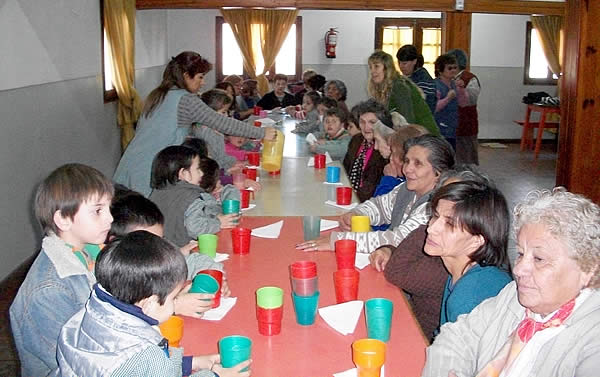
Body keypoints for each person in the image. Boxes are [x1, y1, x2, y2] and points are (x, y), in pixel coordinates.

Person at [422, 187, 600, 377]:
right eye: (521, 254)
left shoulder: (592, 340)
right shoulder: (513, 297)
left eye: (539, 259)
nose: (518, 270)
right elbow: (454, 338)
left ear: (587, 268)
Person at [55, 231, 251, 376]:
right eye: (174, 299)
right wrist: (214, 375)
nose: (176, 304)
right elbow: (150, 365)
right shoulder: (146, 354)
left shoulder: (89, 313)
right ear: (149, 304)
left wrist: (193, 363)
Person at [113, 51, 276, 197]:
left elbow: (201, 131)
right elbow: (221, 123)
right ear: (185, 75)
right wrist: (262, 133)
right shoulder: (185, 100)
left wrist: (227, 163)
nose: (203, 82)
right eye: (200, 77)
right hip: (147, 170)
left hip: (131, 163)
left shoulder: (159, 95)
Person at [9, 164, 114, 376]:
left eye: (109, 208)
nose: (110, 218)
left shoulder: (91, 253)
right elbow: (77, 363)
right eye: (98, 211)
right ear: (63, 220)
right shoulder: (48, 291)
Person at [372, 166, 488, 340]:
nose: (434, 227)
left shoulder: (454, 272)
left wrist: (428, 226)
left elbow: (397, 271)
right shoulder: (450, 252)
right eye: (441, 194)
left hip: (424, 340)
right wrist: (389, 249)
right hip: (417, 329)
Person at [297, 134, 454, 254]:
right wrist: (357, 213)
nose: (407, 169)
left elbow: (398, 240)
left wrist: (339, 241)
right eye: (407, 161)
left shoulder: (437, 206)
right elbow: (379, 207)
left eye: (417, 164)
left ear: (439, 173)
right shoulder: (406, 188)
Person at [108, 187, 229, 319]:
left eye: (159, 241)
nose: (157, 249)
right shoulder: (109, 277)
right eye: (146, 243)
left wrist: (212, 274)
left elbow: (191, 260)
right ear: (116, 244)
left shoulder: (154, 255)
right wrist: (175, 306)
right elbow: (121, 319)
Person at [425, 180, 513, 329]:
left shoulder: (469, 298)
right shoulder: (462, 269)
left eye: (449, 224)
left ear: (477, 240)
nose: (431, 229)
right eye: (435, 216)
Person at [149, 146, 239, 248]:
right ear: (184, 174)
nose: (201, 173)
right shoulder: (191, 196)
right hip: (181, 252)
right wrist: (219, 223)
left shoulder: (157, 192)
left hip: (158, 250)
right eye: (197, 169)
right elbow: (195, 228)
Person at [367, 50, 440, 136]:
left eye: (376, 66)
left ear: (387, 68)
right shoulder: (385, 88)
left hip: (426, 138)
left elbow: (408, 121)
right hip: (415, 136)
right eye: (370, 67)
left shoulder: (399, 86)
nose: (372, 71)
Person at [371, 124, 429, 231]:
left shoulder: (410, 187)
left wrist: (388, 179)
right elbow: (378, 208)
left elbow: (381, 227)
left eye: (393, 153)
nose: (390, 158)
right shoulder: (403, 185)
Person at [343, 99, 391, 202]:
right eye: (362, 122)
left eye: (372, 122)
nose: (366, 127)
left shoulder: (385, 147)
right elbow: (345, 170)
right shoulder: (356, 140)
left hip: (370, 202)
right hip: (348, 196)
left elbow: (376, 187)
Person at [193, 89, 244, 174]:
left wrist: (235, 162)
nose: (227, 115)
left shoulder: (214, 129)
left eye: (227, 112)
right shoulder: (206, 133)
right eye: (223, 112)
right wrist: (227, 171)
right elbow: (212, 163)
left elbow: (222, 156)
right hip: (213, 176)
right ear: (209, 112)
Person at [447, 48, 481, 165]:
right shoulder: (448, 78)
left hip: (466, 124)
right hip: (450, 125)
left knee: (468, 158)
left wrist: (460, 89)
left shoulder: (470, 78)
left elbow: (471, 99)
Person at [396, 44, 437, 114]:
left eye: (404, 63)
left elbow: (420, 107)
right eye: (399, 63)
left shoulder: (424, 80)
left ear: (414, 61)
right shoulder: (405, 77)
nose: (401, 66)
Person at [434, 54, 461, 151]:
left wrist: (461, 89)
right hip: (440, 130)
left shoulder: (455, 84)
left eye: (455, 68)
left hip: (452, 128)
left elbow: (464, 102)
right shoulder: (435, 85)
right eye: (449, 68)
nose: (453, 70)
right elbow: (434, 108)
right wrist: (448, 98)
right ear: (440, 70)